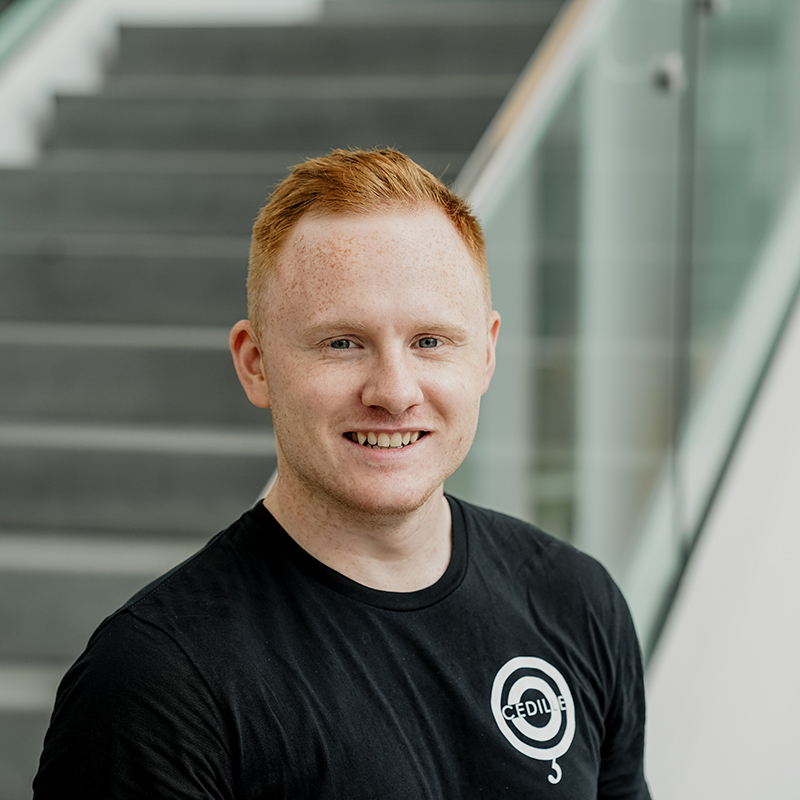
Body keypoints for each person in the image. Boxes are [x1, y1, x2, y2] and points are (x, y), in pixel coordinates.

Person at [33, 148, 650, 798]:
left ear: (488, 353)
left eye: (431, 342)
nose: (394, 390)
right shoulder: (157, 681)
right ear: (256, 364)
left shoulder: (576, 601)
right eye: (342, 343)